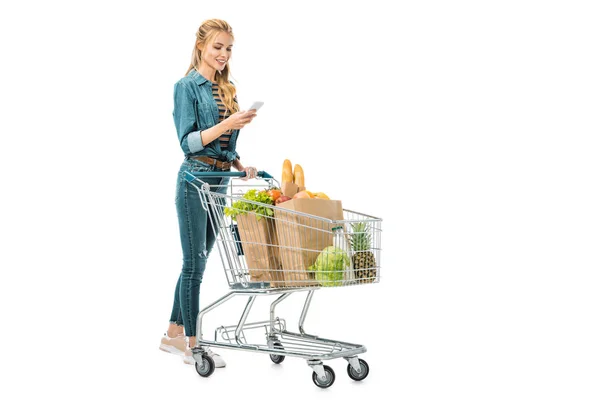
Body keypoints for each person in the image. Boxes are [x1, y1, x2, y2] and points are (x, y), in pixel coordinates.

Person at [159, 19, 258, 367]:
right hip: (194, 180)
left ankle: (173, 333)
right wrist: (228, 123)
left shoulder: (227, 89)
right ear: (201, 46)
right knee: (194, 264)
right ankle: (192, 345)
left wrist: (241, 166)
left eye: (228, 48)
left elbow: (224, 146)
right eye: (217, 47)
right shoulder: (186, 87)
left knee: (198, 262)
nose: (223, 54)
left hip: (220, 181)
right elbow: (188, 141)